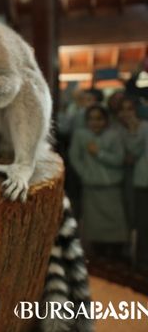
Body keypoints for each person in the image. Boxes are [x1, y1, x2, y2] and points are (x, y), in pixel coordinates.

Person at [69, 105, 128, 259]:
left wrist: (99, 153)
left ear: (106, 120)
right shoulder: (80, 135)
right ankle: (98, 259)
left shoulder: (114, 136)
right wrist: (86, 175)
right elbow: (75, 157)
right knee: (95, 228)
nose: (95, 123)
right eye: (91, 119)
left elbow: (119, 159)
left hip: (112, 188)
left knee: (116, 226)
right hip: (91, 188)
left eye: (99, 119)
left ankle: (116, 257)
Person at [117, 97, 148, 268]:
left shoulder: (145, 127)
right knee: (138, 220)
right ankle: (139, 260)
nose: (127, 113)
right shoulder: (122, 130)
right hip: (137, 181)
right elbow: (129, 155)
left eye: (130, 108)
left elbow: (134, 154)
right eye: (124, 109)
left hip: (142, 179)